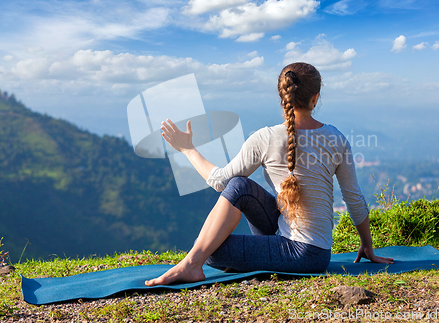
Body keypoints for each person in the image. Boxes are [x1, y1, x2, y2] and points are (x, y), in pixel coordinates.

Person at [145, 62, 393, 286]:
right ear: (315, 98)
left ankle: (191, 265)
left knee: (210, 250)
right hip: (316, 251)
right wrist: (368, 247)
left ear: (282, 95)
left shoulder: (265, 137)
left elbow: (219, 180)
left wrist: (188, 150)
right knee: (240, 186)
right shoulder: (337, 138)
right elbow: (354, 199)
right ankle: (198, 262)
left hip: (303, 255)